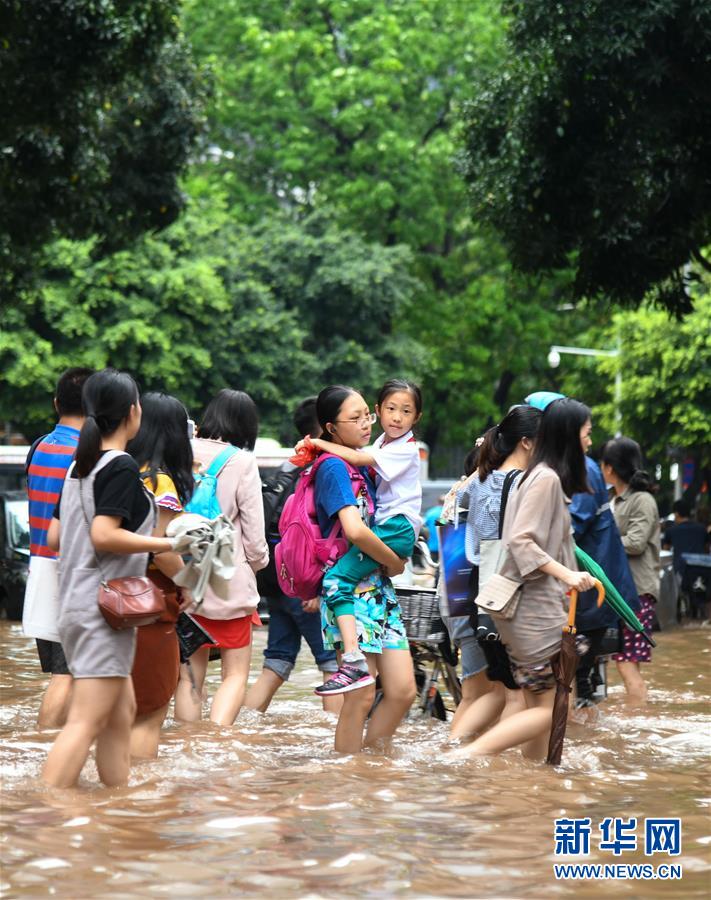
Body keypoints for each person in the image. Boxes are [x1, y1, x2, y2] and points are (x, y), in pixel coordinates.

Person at [42, 369, 175, 788]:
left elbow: (55, 535)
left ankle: (116, 808)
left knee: (120, 715)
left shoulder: (79, 468)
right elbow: (103, 534)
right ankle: (47, 812)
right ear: (133, 413)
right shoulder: (118, 466)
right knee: (84, 723)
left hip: (81, 605)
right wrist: (167, 545)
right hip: (102, 612)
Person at [457, 398, 596, 760]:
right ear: (569, 435)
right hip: (534, 612)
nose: (590, 441)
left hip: (528, 610)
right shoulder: (546, 478)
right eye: (587, 433)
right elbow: (520, 540)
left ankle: (532, 783)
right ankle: (462, 758)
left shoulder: (540, 475)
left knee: (540, 704)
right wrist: (567, 573)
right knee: (549, 710)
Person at [307, 385, 412, 752]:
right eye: (355, 418)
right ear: (331, 428)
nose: (367, 423)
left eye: (367, 414)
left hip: (378, 589)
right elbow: (353, 529)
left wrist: (388, 564)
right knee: (361, 696)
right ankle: (346, 780)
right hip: (349, 593)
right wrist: (393, 560)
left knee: (401, 691)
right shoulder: (335, 467)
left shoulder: (364, 462)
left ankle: (370, 768)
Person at [526, 391, 639, 705]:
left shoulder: (583, 469)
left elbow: (567, 529)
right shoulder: (560, 467)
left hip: (589, 592)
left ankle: (582, 742)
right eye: (587, 434)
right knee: (573, 680)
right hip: (581, 590)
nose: (590, 442)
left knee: (573, 681)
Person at [174, 389, 269, 726]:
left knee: (188, 679)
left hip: (181, 576)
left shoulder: (181, 451)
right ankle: (217, 745)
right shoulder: (243, 462)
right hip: (227, 580)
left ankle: (188, 744)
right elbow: (255, 536)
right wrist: (255, 566)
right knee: (234, 674)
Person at [449, 406, 541, 742]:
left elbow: (473, 541)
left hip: (482, 596)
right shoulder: (524, 485)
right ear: (528, 443)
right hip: (514, 599)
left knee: (501, 691)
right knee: (519, 696)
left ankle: (453, 751)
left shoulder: (479, 482)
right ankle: (485, 761)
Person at [244, 398, 341, 714]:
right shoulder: (321, 467)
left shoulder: (289, 466)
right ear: (326, 425)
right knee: (332, 665)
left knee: (277, 661)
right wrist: (316, 587)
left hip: (276, 579)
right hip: (306, 584)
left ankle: (237, 729)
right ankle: (339, 748)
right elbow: (317, 532)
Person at [25, 366, 94, 728]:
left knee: (62, 672)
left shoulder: (38, 447)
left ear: (56, 404)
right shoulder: (87, 453)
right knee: (67, 675)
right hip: (72, 573)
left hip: (39, 570)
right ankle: (42, 749)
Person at [126, 392, 195, 757]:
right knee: (150, 710)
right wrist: (190, 584)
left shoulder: (122, 470)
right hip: (151, 601)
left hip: (113, 597)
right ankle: (141, 802)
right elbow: (159, 548)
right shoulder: (160, 482)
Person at [601, 437, 660, 704]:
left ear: (610, 467)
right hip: (619, 591)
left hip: (637, 592)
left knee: (627, 663)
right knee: (622, 662)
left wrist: (600, 547)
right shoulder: (612, 499)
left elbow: (636, 543)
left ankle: (638, 725)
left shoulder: (642, 500)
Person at [663, 500, 708, 573]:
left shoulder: (671, 531)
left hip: (680, 572)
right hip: (700, 571)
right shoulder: (702, 529)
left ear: (676, 514)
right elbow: (707, 550)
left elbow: (666, 552)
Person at [422, 496, 445, 561]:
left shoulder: (430, 512)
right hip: (444, 546)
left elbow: (423, 525)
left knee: (433, 564)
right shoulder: (445, 513)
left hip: (432, 545)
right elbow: (441, 527)